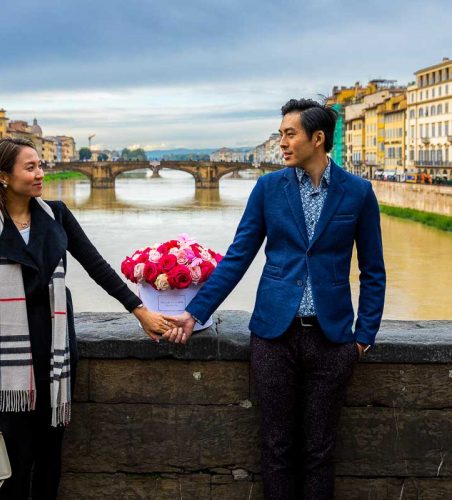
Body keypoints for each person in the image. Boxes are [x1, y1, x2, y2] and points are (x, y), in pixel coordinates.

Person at [164, 99, 386, 499]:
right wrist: (195, 313)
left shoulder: (358, 193)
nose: (282, 142)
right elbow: (238, 257)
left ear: (317, 139)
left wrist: (364, 336)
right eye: (280, 134)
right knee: (276, 448)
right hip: (273, 337)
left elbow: (373, 270)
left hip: (332, 339)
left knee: (320, 451)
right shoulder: (268, 188)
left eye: (290, 134)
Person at [0, 137, 176, 500]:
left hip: (58, 355)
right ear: (2, 176)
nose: (40, 174)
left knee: (50, 457)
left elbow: (96, 266)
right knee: (16, 460)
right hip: (9, 365)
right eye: (30, 167)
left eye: (40, 165)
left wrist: (139, 310)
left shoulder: (57, 214)